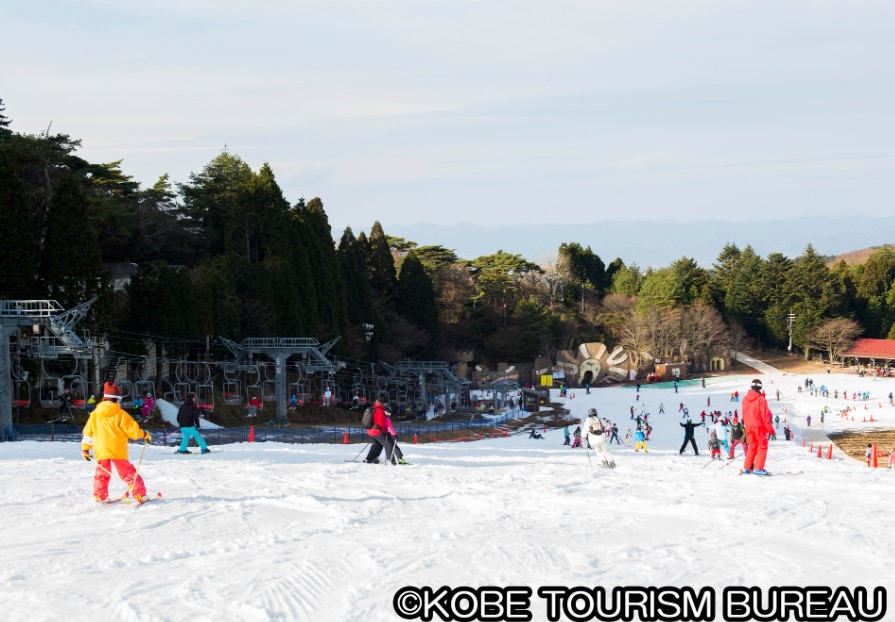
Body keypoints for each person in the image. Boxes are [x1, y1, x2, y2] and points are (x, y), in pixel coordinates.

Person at [81, 382, 151, 503]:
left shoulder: (94, 415)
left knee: (101, 474)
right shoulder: (120, 414)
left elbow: (88, 434)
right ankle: (140, 494)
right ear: (117, 399)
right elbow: (132, 430)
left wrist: (85, 449)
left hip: (101, 449)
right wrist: (144, 435)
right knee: (128, 472)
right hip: (117, 449)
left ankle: (100, 496)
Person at [741, 379, 775, 475]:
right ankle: (758, 469)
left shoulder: (745, 399)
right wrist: (770, 430)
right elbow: (765, 416)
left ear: (751, 387)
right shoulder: (761, 399)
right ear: (760, 387)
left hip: (748, 427)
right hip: (759, 427)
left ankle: (747, 468)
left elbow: (744, 414)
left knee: (752, 447)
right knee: (762, 447)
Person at [364, 395, 407, 464]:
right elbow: (382, 423)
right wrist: (389, 432)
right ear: (382, 403)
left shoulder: (374, 408)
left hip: (372, 430)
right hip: (378, 431)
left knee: (378, 445)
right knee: (389, 444)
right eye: (385, 403)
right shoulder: (379, 410)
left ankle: (370, 458)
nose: (386, 404)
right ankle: (390, 460)